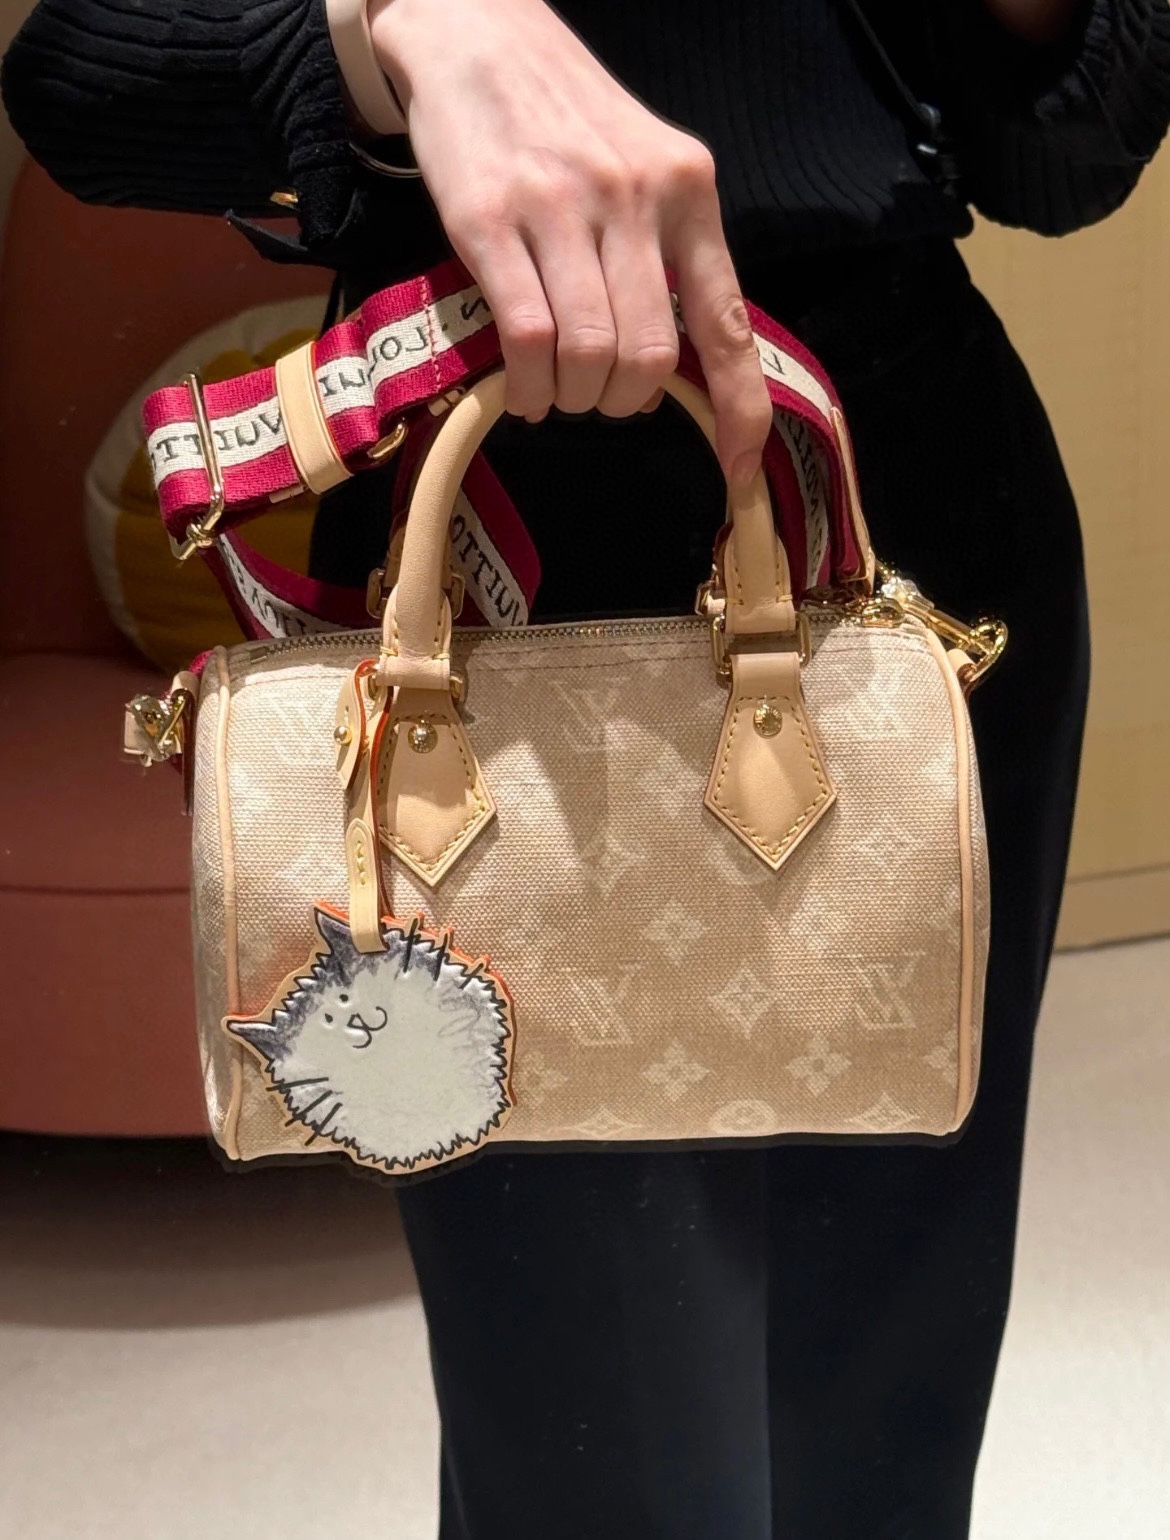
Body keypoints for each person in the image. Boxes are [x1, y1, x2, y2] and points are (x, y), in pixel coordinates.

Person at [5, 2, 1170, 1535]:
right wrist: (406, 25)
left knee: (888, 1394)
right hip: (489, 527)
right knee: (592, 1455)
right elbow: (86, 76)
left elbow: (1070, 156)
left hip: (898, 501)